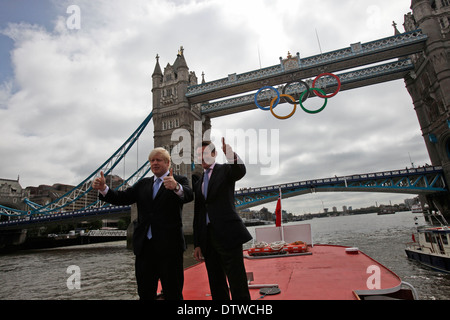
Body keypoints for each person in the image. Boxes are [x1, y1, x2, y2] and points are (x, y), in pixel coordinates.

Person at [92, 147, 193, 300]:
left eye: (158, 160)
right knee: (145, 293)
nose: (154, 163)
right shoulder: (143, 184)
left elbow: (188, 195)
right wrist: (104, 189)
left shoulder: (179, 181)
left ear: (167, 163)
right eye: (152, 160)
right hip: (145, 248)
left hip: (170, 249)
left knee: (173, 292)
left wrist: (176, 187)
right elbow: (122, 197)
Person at [193, 138, 252, 300]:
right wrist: (197, 243)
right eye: (199, 155)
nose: (202, 157)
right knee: (215, 282)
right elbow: (198, 213)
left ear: (214, 154)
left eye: (205, 153)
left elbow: (240, 171)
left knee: (237, 281)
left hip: (228, 234)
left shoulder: (225, 171)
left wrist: (230, 155)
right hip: (208, 238)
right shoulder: (198, 183)